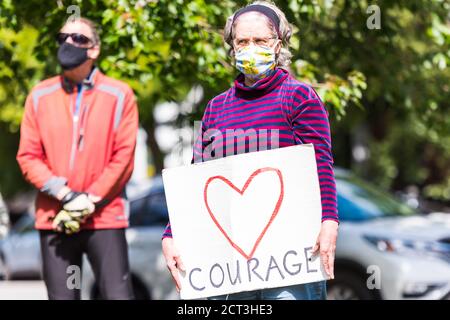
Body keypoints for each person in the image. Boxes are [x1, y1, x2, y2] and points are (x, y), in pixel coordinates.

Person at [162, 1, 339, 300]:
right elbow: (197, 179)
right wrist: (171, 234)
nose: (250, 47)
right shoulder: (216, 108)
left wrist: (329, 223)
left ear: (277, 44)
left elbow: (322, 165)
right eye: (242, 41)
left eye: (260, 40)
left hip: (290, 255)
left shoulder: (298, 97)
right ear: (232, 47)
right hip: (228, 260)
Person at [16, 17, 138, 300]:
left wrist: (90, 198)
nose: (69, 44)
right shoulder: (39, 95)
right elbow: (28, 155)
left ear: (94, 49)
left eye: (78, 39)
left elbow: (124, 157)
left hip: (105, 217)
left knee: (118, 296)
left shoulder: (120, 95)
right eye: (63, 38)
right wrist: (66, 194)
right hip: (54, 216)